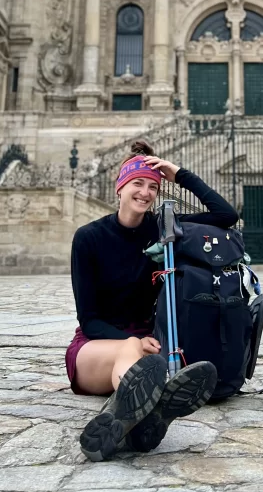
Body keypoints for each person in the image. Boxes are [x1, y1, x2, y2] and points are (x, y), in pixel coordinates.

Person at [66, 139, 239, 461]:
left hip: (151, 348)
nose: (145, 192)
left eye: (153, 187)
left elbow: (226, 216)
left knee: (146, 360)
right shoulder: (88, 238)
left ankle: (132, 419)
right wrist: (136, 339)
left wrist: (180, 175)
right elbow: (88, 319)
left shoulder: (164, 231)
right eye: (137, 183)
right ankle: (150, 409)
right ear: (120, 188)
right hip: (95, 347)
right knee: (136, 351)